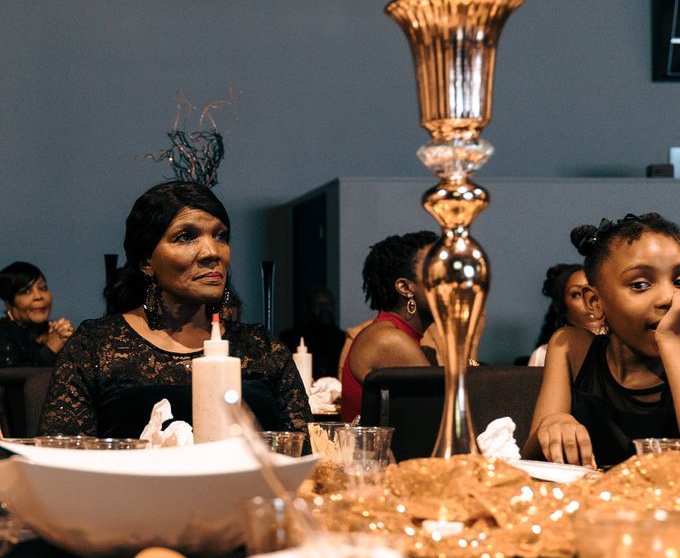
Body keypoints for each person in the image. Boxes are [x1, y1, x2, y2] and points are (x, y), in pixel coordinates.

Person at [41, 182, 311, 438]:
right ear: (147, 261)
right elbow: (60, 460)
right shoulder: (95, 347)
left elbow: (306, 453)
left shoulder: (261, 348)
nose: (212, 252)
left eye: (220, 236)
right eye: (186, 237)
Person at [528, 213, 680, 468]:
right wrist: (553, 423)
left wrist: (674, 343)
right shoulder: (571, 347)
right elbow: (532, 457)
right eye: (640, 284)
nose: (668, 298)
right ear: (595, 302)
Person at [336, 231, 439, 422]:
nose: (452, 282)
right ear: (406, 288)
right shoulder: (390, 340)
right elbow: (440, 419)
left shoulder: (393, 333)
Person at [0, 260, 75, 384]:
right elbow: (16, 388)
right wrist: (50, 349)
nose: (38, 296)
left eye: (43, 288)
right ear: (9, 303)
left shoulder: (56, 332)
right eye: (26, 291)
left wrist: (73, 344)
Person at [525, 262, 601, 368]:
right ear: (561, 306)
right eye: (577, 294)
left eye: (598, 291)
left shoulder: (627, 351)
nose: (590, 301)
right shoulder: (543, 356)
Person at [283, 286, 346, 380]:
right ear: (308, 308)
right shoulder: (291, 337)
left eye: (327, 304)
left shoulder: (343, 339)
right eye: (318, 304)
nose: (324, 308)